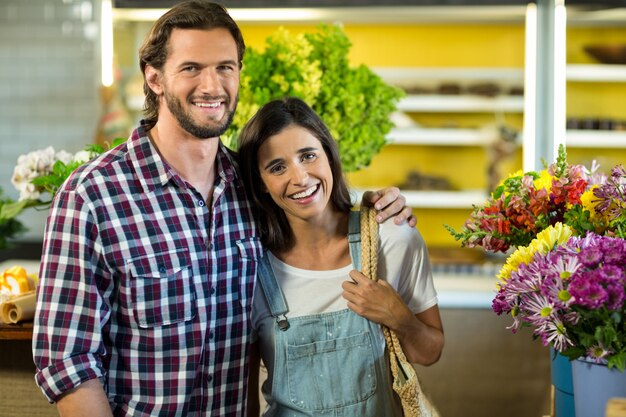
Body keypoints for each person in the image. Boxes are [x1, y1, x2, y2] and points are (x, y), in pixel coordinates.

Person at [31, 2, 416, 416]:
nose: (212, 86)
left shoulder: (255, 187)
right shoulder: (92, 196)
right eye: (192, 68)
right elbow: (68, 361)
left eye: (225, 67)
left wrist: (373, 209)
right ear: (154, 77)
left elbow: (322, 225)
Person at [238, 97, 444, 417]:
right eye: (277, 167)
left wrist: (399, 317)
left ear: (329, 156)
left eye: (308, 156)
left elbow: (430, 352)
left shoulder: (392, 238)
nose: (301, 178)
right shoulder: (250, 269)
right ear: (261, 184)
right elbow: (246, 398)